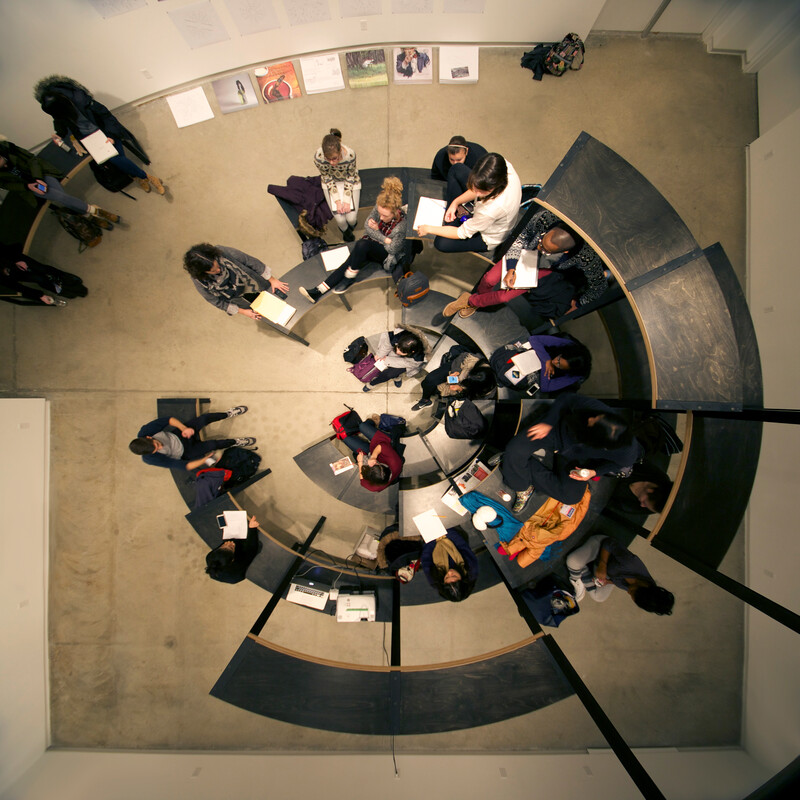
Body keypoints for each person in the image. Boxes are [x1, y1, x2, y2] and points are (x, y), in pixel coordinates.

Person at [502, 393, 643, 512]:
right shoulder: (598, 411)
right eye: (596, 417)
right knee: (514, 450)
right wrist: (548, 422)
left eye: (592, 423)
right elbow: (567, 398)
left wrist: (594, 472)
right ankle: (520, 483)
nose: (591, 418)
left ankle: (516, 467)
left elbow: (617, 465)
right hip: (556, 432)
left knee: (571, 497)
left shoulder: (627, 451)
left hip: (578, 458)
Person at [34, 75, 165, 195]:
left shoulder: (84, 102)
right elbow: (59, 122)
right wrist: (58, 134)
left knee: (115, 158)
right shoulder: (57, 110)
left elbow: (106, 117)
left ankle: (145, 177)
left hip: (104, 132)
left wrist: (111, 136)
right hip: (89, 139)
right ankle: (142, 176)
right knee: (112, 158)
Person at [299, 176, 408, 303]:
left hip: (386, 255)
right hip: (373, 244)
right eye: (379, 214)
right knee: (350, 261)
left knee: (362, 246)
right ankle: (318, 291)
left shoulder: (401, 226)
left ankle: (349, 278)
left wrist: (377, 231)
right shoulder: (380, 206)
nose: (381, 218)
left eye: (385, 216)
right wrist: (385, 238)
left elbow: (392, 248)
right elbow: (367, 227)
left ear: (395, 212)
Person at [490, 207, 608, 314]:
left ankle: (607, 273)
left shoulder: (587, 257)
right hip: (528, 255)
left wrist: (579, 303)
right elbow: (521, 237)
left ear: (565, 252)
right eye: (541, 240)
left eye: (545, 249)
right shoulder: (544, 218)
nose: (538, 247)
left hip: (560, 270)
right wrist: (512, 266)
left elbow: (598, 287)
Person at [416, 153, 521, 254]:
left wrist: (428, 229)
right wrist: (455, 202)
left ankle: (452, 223)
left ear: (496, 185)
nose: (476, 193)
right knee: (456, 169)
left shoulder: (492, 209)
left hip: (489, 235)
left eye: (482, 191)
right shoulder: (501, 165)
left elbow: (462, 233)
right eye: (475, 186)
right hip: (487, 211)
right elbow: (477, 189)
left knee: (441, 243)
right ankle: (454, 220)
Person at [0, 139, 120, 226]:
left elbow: (32, 159)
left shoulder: (8, 148)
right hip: (28, 186)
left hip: (40, 173)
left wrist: (38, 178)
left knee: (62, 197)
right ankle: (95, 211)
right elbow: (5, 184)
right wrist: (28, 186)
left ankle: (88, 215)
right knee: (61, 196)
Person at [566, 534, 675, 614]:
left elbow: (620, 582)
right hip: (601, 548)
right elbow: (609, 542)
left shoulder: (639, 589)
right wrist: (603, 564)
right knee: (572, 561)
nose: (628, 593)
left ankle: (582, 571)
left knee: (599, 597)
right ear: (643, 585)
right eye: (632, 591)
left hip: (608, 572)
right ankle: (577, 578)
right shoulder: (630, 564)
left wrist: (609, 582)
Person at [129, 406, 255, 471]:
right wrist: (205, 460)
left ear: (148, 437)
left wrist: (184, 429)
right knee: (213, 445)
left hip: (179, 435)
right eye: (157, 449)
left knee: (204, 419)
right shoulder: (151, 459)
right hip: (186, 452)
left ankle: (228, 413)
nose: (160, 447)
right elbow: (185, 466)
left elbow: (168, 419)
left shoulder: (145, 431)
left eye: (157, 444)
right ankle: (235, 442)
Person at [183, 243, 289, 320]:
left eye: (218, 266)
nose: (219, 270)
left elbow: (250, 261)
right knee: (273, 316)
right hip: (241, 299)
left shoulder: (223, 252)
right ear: (204, 272)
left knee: (283, 300)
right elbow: (215, 300)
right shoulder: (200, 281)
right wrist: (243, 311)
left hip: (254, 283)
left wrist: (272, 280)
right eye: (213, 271)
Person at [491, 334, 592, 395]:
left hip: (536, 369)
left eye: (560, 365)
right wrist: (547, 360)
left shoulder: (573, 376)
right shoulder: (568, 345)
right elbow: (534, 339)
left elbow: (546, 387)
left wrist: (545, 365)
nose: (555, 362)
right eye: (559, 359)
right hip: (535, 356)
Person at [412, 344, 496, 411]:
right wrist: (456, 372)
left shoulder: (485, 393)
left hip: (460, 389)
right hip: (456, 370)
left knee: (437, 389)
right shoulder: (475, 360)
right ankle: (425, 400)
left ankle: (427, 398)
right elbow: (462, 357)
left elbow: (468, 399)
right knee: (428, 381)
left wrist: (460, 389)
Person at [1, 243, 86, 307]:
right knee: (38, 278)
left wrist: (15, 260)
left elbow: (5, 249)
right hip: (11, 273)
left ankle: (62, 276)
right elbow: (15, 286)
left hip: (10, 257)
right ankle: (56, 287)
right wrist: (40, 295)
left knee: (41, 268)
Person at [314, 128, 360, 241]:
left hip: (350, 181)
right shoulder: (318, 157)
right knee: (340, 220)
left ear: (340, 152)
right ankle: (346, 233)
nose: (332, 163)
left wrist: (346, 200)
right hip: (331, 183)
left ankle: (351, 227)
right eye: (328, 159)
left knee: (351, 219)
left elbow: (351, 176)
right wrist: (338, 201)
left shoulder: (350, 155)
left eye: (334, 158)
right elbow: (327, 178)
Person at [340, 416, 403, 493]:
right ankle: (372, 422)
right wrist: (373, 457)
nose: (373, 464)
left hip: (369, 455)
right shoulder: (395, 463)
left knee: (347, 439)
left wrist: (360, 462)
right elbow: (382, 445)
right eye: (376, 464)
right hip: (383, 447)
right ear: (384, 466)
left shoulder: (373, 487)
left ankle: (359, 438)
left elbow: (362, 480)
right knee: (362, 426)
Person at [361, 326, 429, 392]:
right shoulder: (397, 336)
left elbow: (407, 363)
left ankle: (372, 384)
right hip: (396, 354)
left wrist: (387, 360)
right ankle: (396, 376)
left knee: (388, 374)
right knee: (380, 362)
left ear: (412, 352)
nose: (397, 351)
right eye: (398, 347)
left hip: (406, 362)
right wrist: (380, 355)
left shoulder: (419, 356)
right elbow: (387, 344)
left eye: (402, 351)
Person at [420, 529, 478, 602]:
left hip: (430, 541)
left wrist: (432, 535)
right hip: (453, 535)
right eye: (454, 576)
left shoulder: (435, 580)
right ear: (463, 579)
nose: (449, 572)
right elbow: (462, 546)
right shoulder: (470, 570)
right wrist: (443, 531)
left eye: (446, 577)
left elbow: (426, 557)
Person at [205, 515, 262, 584]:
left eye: (224, 545)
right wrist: (252, 528)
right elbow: (252, 549)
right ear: (232, 559)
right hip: (238, 571)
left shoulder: (210, 557)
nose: (229, 542)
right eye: (231, 547)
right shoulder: (237, 568)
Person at [608, 462, 673, 516]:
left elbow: (608, 502)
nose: (642, 505)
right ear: (650, 490)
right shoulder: (655, 475)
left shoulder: (649, 508)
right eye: (644, 502)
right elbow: (631, 460)